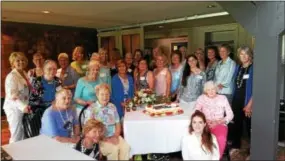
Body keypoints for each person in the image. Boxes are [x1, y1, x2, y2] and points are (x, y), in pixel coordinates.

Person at [88, 83, 130, 160]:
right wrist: (104, 138)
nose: (105, 97)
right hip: (99, 140)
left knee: (126, 147)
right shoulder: (92, 109)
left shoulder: (112, 106)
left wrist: (116, 136)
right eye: (102, 94)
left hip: (114, 136)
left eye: (107, 94)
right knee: (114, 150)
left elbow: (117, 123)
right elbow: (89, 129)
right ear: (97, 95)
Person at [195, 81, 234, 159]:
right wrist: (204, 120)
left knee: (220, 138)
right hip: (205, 124)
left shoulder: (223, 98)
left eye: (213, 89)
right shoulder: (201, 98)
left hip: (220, 124)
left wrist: (218, 122)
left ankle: (217, 158)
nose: (211, 91)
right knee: (199, 138)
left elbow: (230, 115)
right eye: (208, 89)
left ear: (216, 89)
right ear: (205, 91)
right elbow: (196, 111)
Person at [229, 46, 253, 159]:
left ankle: (253, 150)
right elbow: (234, 84)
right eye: (241, 54)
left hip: (248, 101)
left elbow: (257, 88)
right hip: (237, 100)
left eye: (246, 54)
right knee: (236, 124)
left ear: (250, 55)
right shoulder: (238, 67)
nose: (243, 56)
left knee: (250, 126)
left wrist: (249, 104)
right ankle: (236, 146)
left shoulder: (254, 67)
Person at [4, 52, 31, 143]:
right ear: (13, 63)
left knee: (23, 132)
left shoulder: (24, 73)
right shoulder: (11, 76)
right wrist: (23, 106)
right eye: (18, 61)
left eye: (23, 60)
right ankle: (12, 155)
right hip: (14, 108)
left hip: (24, 107)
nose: (21, 62)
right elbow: (13, 96)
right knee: (16, 133)